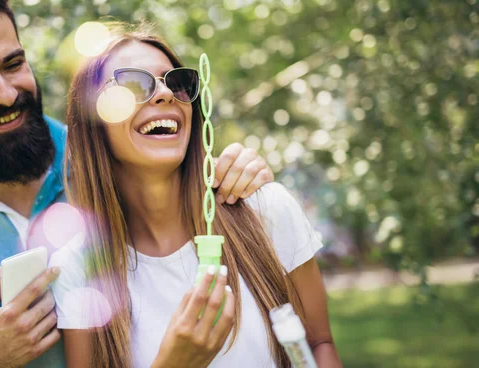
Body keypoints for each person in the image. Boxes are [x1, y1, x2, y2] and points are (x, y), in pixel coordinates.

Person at [0, 0, 274, 368]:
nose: (4, 93)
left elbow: (193, 181)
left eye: (13, 64)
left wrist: (234, 170)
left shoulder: (115, 158)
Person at [50, 25, 342, 367]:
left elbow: (318, 342)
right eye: (133, 82)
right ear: (93, 120)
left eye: (176, 82)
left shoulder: (265, 210)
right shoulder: (79, 269)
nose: (164, 94)